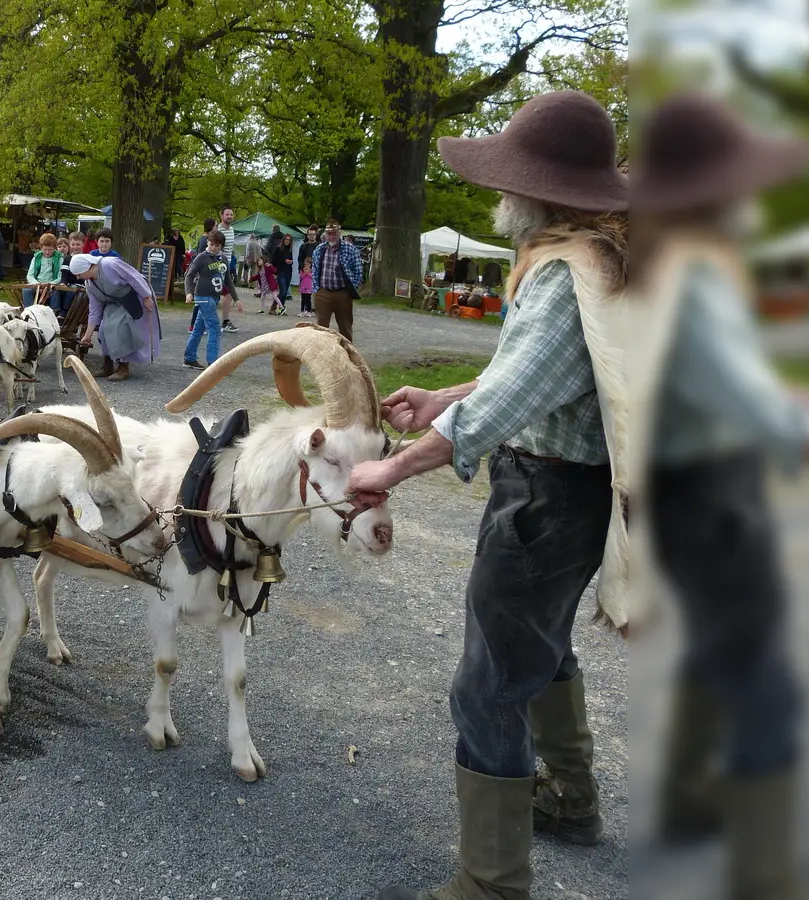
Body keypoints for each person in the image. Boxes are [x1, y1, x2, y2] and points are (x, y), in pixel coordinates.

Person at [344, 91, 631, 900]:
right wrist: (446, 400)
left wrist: (394, 469)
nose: (499, 195)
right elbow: (529, 376)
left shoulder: (566, 273)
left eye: (510, 178)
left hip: (544, 501)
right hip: (573, 497)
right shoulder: (599, 257)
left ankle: (492, 883)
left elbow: (512, 401)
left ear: (538, 187)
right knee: (546, 650)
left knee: (487, 685)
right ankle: (572, 803)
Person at [626, 93, 809, 900]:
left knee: (715, 647)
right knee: (763, 678)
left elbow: (717, 384)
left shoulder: (656, 264)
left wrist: (807, 409)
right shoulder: (694, 272)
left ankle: (687, 802)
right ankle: (764, 873)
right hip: (714, 495)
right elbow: (746, 403)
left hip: (680, 487)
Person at [72, 252, 159, 382]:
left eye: (79, 274)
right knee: (103, 329)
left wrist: (146, 296)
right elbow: (94, 310)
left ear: (86, 268)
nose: (78, 277)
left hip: (133, 298)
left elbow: (134, 277)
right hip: (115, 303)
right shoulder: (89, 284)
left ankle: (123, 366)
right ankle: (108, 365)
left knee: (119, 327)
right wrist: (88, 334)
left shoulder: (110, 264)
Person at [183, 230, 230, 369]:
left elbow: (228, 280)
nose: (213, 248)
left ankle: (189, 357)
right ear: (208, 243)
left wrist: (236, 298)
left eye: (217, 245)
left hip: (214, 297)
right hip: (203, 296)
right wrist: (188, 293)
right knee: (215, 328)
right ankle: (213, 363)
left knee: (198, 328)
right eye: (211, 244)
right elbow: (189, 275)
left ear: (221, 246)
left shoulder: (223, 259)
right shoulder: (202, 257)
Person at [309, 217, 362, 342]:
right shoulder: (319, 249)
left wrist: (351, 289)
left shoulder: (350, 249)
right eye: (329, 234)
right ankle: (321, 356)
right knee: (321, 328)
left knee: (345, 327)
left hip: (342, 293)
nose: (331, 237)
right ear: (325, 235)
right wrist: (317, 289)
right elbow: (315, 270)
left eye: (334, 234)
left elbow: (358, 271)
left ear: (339, 233)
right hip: (323, 292)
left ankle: (347, 356)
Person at [216, 206, 239, 333]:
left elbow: (229, 250)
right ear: (222, 216)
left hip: (228, 265)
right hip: (218, 266)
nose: (229, 216)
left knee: (227, 294)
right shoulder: (218, 230)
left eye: (231, 214)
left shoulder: (232, 230)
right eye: (227, 214)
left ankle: (225, 321)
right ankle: (202, 322)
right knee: (215, 294)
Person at [25, 232, 62, 307]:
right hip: (37, 284)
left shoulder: (59, 259)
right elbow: (30, 275)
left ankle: (54, 312)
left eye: (50, 249)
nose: (47, 252)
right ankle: (29, 310)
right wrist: (37, 284)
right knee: (26, 290)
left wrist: (49, 285)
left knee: (56, 291)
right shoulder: (36, 258)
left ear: (55, 248)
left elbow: (60, 277)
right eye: (45, 249)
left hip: (52, 285)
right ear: (41, 247)